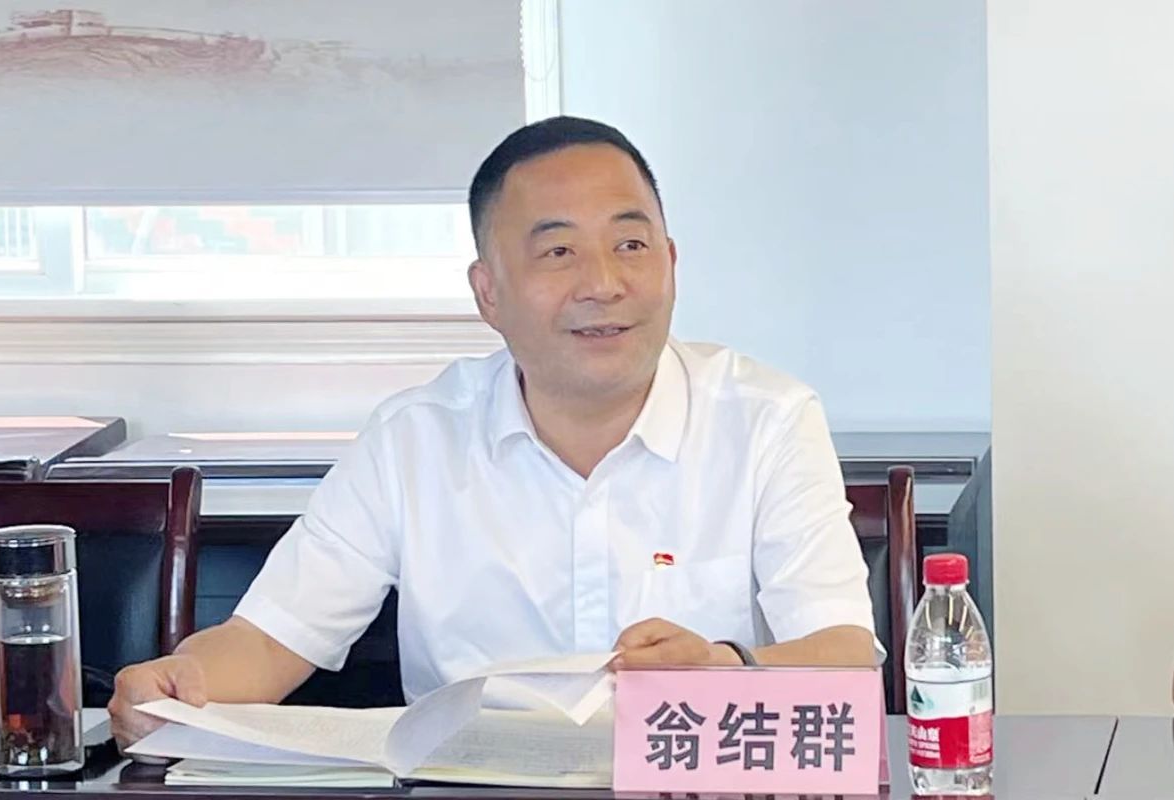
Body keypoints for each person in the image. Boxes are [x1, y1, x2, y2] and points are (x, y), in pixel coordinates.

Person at [109, 116, 878, 747]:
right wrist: (180, 684)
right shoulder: (414, 438)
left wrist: (724, 669)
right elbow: (271, 640)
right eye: (558, 252)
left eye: (630, 245)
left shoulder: (766, 419)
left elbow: (844, 659)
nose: (603, 283)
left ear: (670, 263)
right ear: (487, 292)